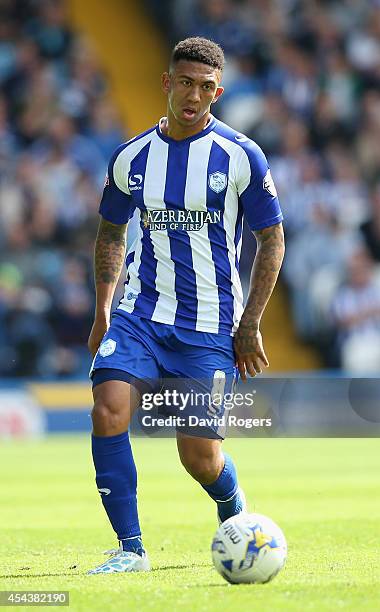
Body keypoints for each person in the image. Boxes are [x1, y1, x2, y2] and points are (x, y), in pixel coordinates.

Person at [87, 37, 284, 574]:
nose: (193, 95)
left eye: (205, 87)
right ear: (167, 83)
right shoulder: (131, 157)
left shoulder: (241, 155)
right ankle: (130, 549)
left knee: (197, 456)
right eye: (184, 83)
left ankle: (233, 508)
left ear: (217, 91)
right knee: (108, 408)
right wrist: (104, 307)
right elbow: (110, 234)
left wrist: (251, 324)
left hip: (210, 326)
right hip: (140, 315)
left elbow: (272, 240)